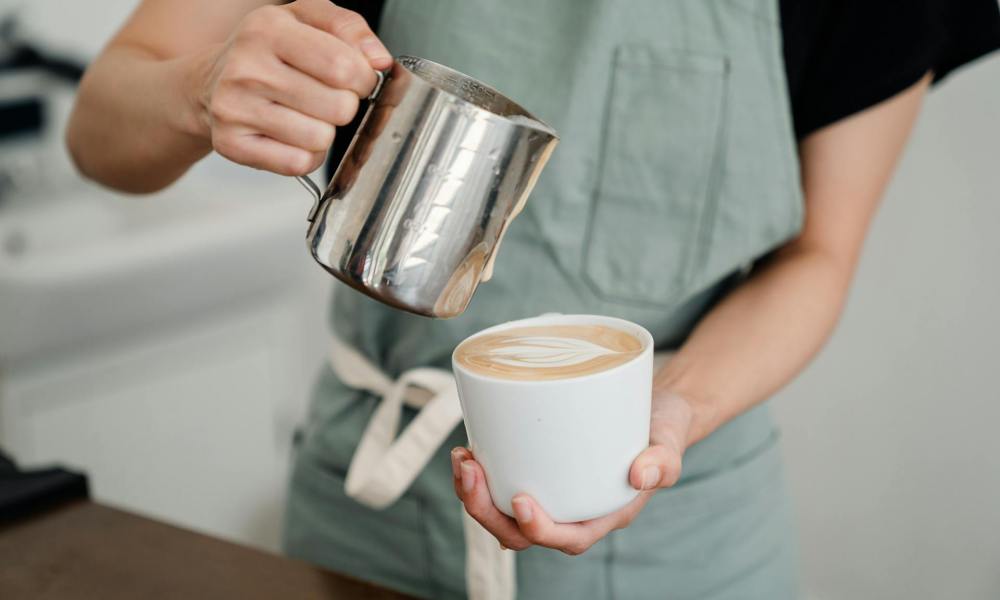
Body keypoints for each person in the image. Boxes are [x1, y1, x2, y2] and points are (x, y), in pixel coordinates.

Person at [67, 1, 1000, 598]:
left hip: (687, 541)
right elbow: (99, 126)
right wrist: (197, 90)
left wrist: (667, 414)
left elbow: (820, 256)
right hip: (366, 522)